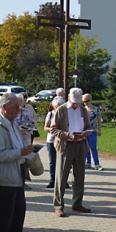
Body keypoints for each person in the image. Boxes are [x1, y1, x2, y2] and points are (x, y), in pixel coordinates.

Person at [0, 93, 38, 232]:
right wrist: (20, 152)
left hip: (17, 170)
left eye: (20, 106)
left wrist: (27, 150)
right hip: (4, 176)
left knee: (18, 209)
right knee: (4, 212)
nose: (19, 109)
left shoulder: (12, 123)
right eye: (16, 107)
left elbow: (17, 144)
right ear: (4, 107)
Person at [50, 87, 93, 217]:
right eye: (74, 102)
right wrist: (67, 135)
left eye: (78, 102)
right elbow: (53, 129)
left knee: (79, 177)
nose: (76, 104)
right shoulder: (61, 110)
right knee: (61, 177)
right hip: (65, 145)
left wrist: (86, 133)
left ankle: (77, 203)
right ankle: (59, 205)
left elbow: (88, 126)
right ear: (68, 98)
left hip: (80, 144)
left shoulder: (83, 110)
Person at [44, 96, 67, 188]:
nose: (58, 108)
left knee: (64, 161)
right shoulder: (50, 114)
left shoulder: (66, 114)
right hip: (51, 140)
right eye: (56, 106)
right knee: (52, 161)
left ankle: (63, 180)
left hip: (63, 140)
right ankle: (53, 180)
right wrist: (54, 130)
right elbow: (46, 127)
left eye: (60, 106)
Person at [83, 93, 103, 170]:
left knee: (93, 147)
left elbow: (99, 120)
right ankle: (88, 162)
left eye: (87, 101)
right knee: (86, 147)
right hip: (84, 131)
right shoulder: (83, 109)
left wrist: (99, 130)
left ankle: (97, 163)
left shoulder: (95, 109)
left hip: (92, 130)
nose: (85, 103)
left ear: (91, 100)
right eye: (84, 101)